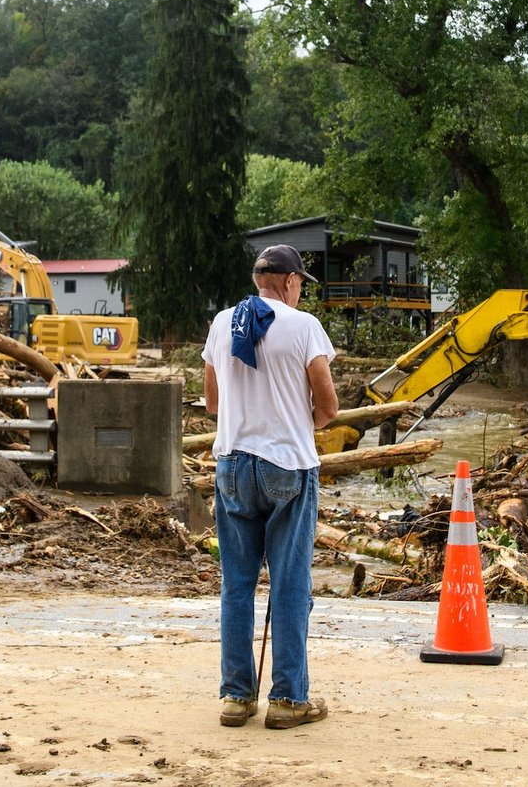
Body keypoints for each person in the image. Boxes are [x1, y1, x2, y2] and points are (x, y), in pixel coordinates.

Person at [202, 243, 339, 730]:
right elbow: (328, 406)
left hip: (233, 465)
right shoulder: (304, 328)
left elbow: (213, 404)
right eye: (301, 283)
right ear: (289, 282)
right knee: (289, 582)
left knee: (236, 583)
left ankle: (236, 697)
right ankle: (287, 699)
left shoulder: (223, 323)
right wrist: (297, 424)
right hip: (287, 466)